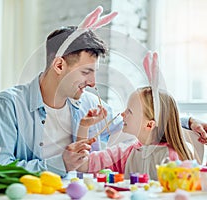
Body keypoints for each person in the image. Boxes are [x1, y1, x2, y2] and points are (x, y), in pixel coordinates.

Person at [0, 7, 207, 177]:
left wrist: (189, 121)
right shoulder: (6, 107)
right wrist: (59, 163)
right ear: (59, 65)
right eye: (86, 72)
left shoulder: (87, 104)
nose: (93, 82)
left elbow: (138, 119)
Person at [76, 52, 195, 180]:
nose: (122, 114)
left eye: (129, 111)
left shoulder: (172, 158)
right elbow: (82, 164)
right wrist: (84, 126)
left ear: (149, 124)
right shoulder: (125, 153)